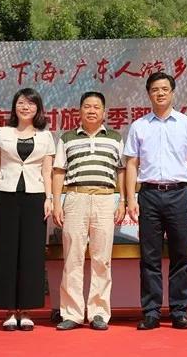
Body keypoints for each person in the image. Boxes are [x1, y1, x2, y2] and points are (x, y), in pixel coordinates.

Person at [124, 72, 187, 330]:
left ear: (172, 92)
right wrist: (131, 198)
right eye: (155, 89)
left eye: (164, 89)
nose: (160, 93)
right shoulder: (139, 126)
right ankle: (151, 312)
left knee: (181, 254)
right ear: (148, 94)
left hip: (179, 194)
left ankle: (180, 311)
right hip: (148, 195)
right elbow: (132, 164)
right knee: (150, 256)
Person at [52, 91, 126, 331]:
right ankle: (71, 313)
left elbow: (121, 171)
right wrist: (56, 202)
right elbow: (58, 171)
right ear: (80, 111)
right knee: (72, 257)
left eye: (96, 107)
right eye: (87, 106)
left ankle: (98, 312)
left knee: (101, 258)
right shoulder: (67, 138)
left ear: (104, 112)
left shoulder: (115, 138)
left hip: (105, 199)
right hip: (75, 198)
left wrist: (123, 201)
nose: (92, 110)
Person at [0, 88, 55, 331]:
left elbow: (47, 170)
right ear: (15, 106)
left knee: (31, 253)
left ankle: (26, 310)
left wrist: (49, 198)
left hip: (36, 197)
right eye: (21, 103)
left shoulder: (46, 136)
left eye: (31, 104)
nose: (26, 107)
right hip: (5, 195)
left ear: (38, 109)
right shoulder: (1, 133)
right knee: (6, 251)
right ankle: (8, 309)